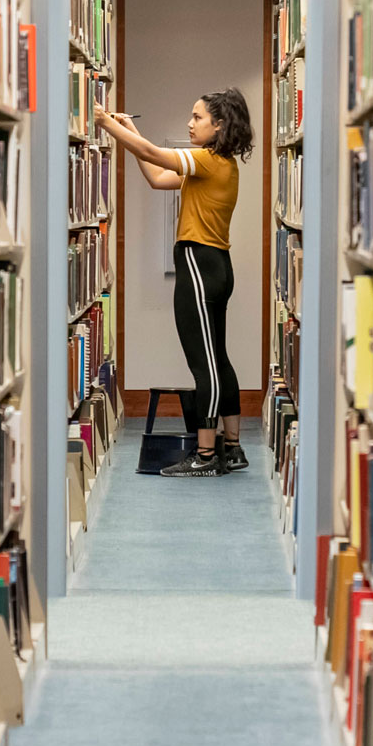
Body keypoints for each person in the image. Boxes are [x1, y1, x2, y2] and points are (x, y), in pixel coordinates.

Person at [100, 90, 252, 478]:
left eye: (197, 117)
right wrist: (130, 130)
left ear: (218, 125)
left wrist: (106, 125)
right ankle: (232, 448)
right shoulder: (217, 165)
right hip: (215, 265)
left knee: (203, 364)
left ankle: (204, 454)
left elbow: (154, 155)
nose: (190, 123)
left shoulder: (207, 160)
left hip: (199, 266)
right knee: (217, 357)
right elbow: (155, 176)